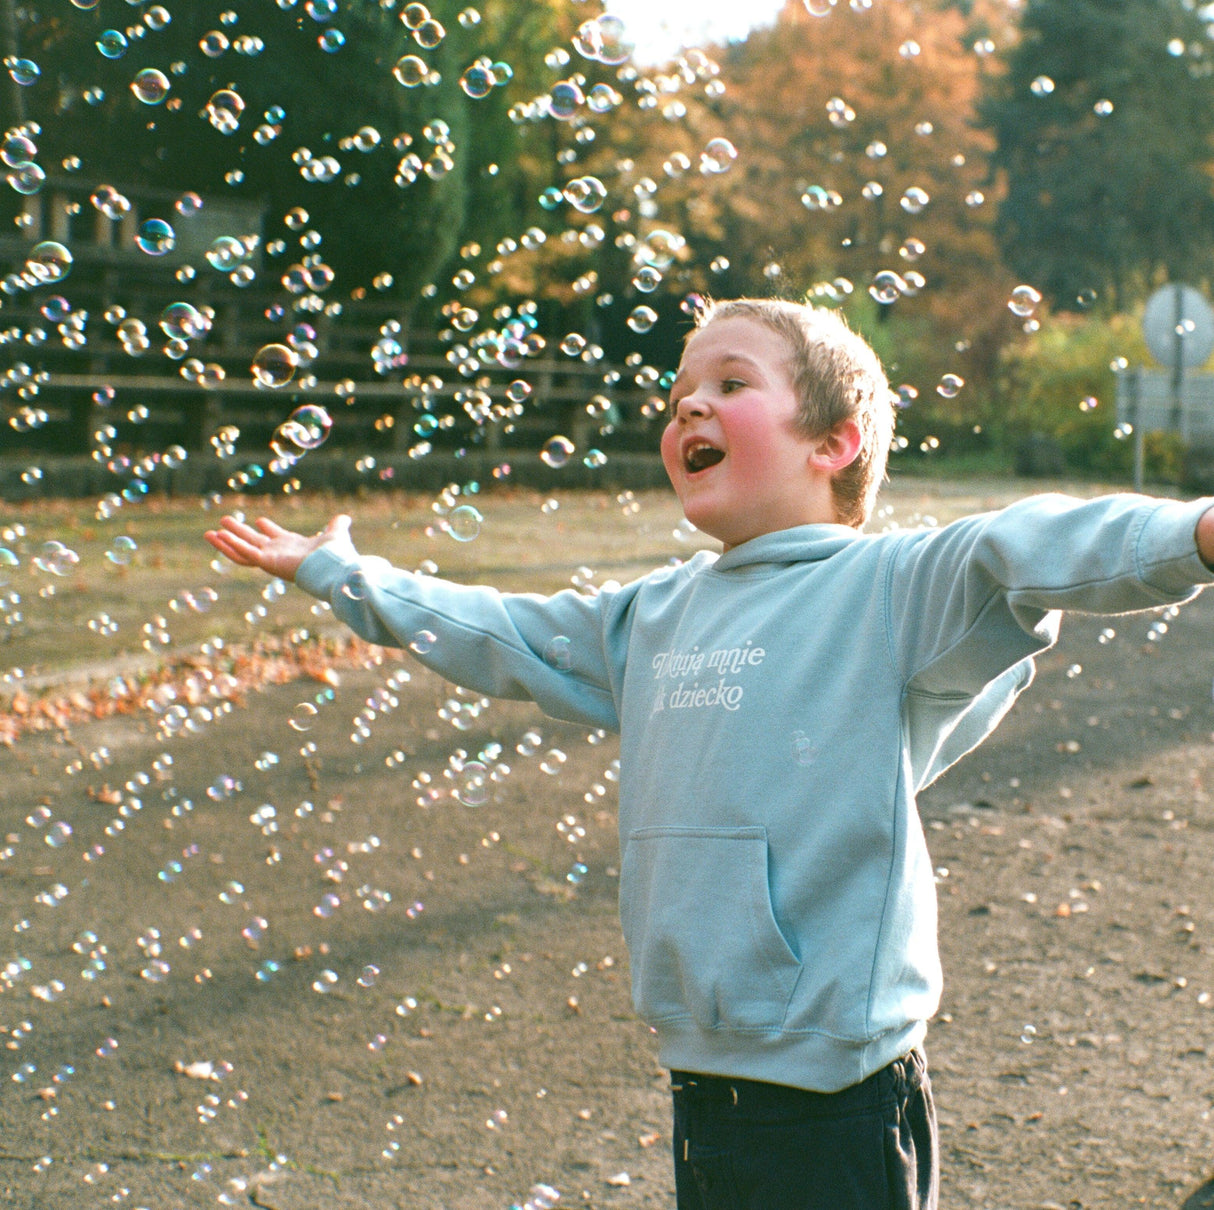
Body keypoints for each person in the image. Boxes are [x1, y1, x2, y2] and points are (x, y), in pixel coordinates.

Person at [205, 297, 1214, 1210]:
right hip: (704, 1079)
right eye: (678, 393)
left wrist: (1196, 532)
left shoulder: (890, 586)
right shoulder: (649, 614)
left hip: (836, 1098)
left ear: (832, 442)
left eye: (729, 385)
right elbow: (499, 630)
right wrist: (341, 575)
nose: (687, 409)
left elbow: (1026, 543)